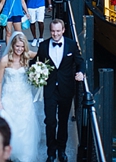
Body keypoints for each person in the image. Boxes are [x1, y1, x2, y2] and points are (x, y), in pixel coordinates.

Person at [36, 19, 84, 162]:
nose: (55, 34)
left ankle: (61, 150)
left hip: (66, 89)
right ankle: (51, 152)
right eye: (52, 31)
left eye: (58, 31)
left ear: (63, 30)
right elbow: (37, 62)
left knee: (63, 121)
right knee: (50, 121)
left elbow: (80, 62)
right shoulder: (43, 46)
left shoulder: (71, 44)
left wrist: (81, 73)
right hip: (50, 89)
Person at [0, 32, 43, 162]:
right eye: (17, 46)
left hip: (24, 96)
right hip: (9, 96)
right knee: (10, 125)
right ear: (12, 45)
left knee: (25, 125)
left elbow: (42, 54)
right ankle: (11, 152)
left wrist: (40, 71)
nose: (19, 49)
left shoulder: (26, 56)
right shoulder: (4, 61)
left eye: (22, 47)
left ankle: (24, 155)